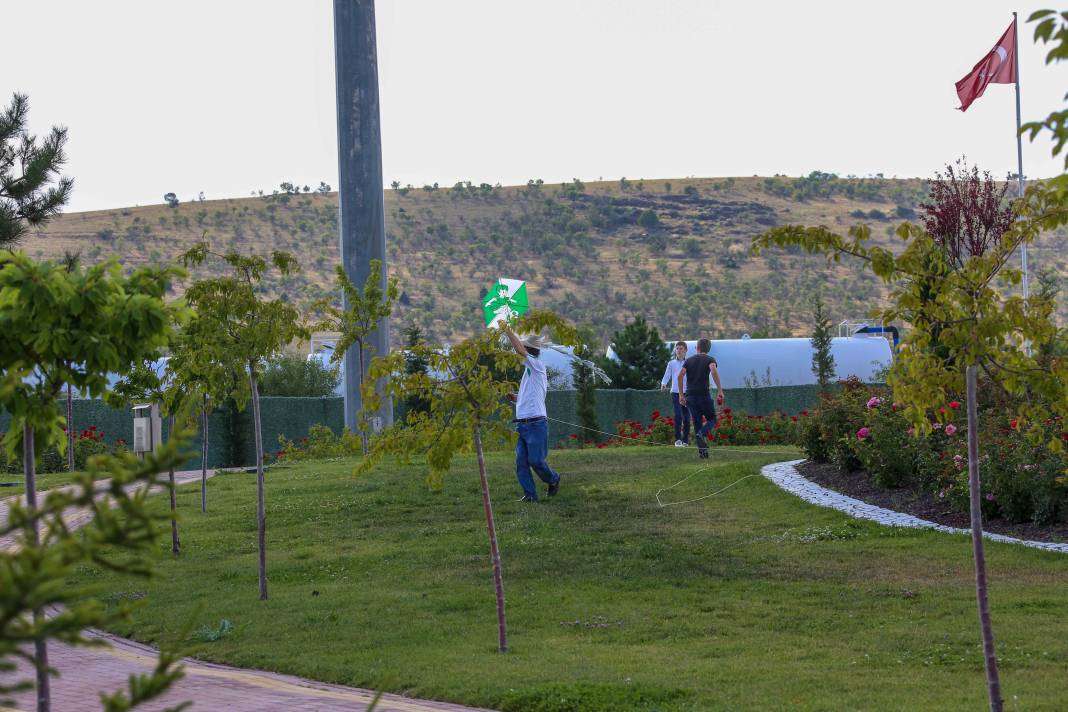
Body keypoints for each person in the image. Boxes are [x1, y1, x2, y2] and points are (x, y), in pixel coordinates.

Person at [502, 324, 561, 502]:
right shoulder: (529, 372)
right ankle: (530, 495)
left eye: (524, 347)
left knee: (536, 461)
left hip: (536, 424)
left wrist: (506, 329)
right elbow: (528, 396)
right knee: (521, 462)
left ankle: (553, 479)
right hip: (523, 424)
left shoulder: (537, 365)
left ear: (528, 350)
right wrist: (515, 397)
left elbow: (519, 350)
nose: (520, 351)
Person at [677, 338, 724, 460]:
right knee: (712, 419)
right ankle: (702, 434)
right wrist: (720, 391)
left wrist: (681, 395)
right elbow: (713, 371)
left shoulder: (689, 361)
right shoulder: (710, 359)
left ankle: (703, 454)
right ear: (708, 349)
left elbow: (680, 376)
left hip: (690, 397)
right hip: (703, 395)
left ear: (697, 348)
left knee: (697, 423)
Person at [660, 341, 692, 447]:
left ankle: (685, 441)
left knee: (687, 418)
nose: (679, 350)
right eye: (677, 348)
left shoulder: (690, 363)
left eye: (681, 348)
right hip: (675, 392)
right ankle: (677, 440)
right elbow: (667, 375)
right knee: (678, 416)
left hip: (687, 393)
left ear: (686, 350)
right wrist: (664, 383)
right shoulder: (671, 363)